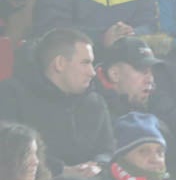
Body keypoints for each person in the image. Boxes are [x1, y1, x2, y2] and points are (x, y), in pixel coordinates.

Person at [0, 28, 113, 171]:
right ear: (60, 63)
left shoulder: (95, 102)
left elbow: (107, 150)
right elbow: (8, 151)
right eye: (85, 63)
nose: (92, 72)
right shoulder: (10, 95)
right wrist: (61, 171)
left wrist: (98, 166)